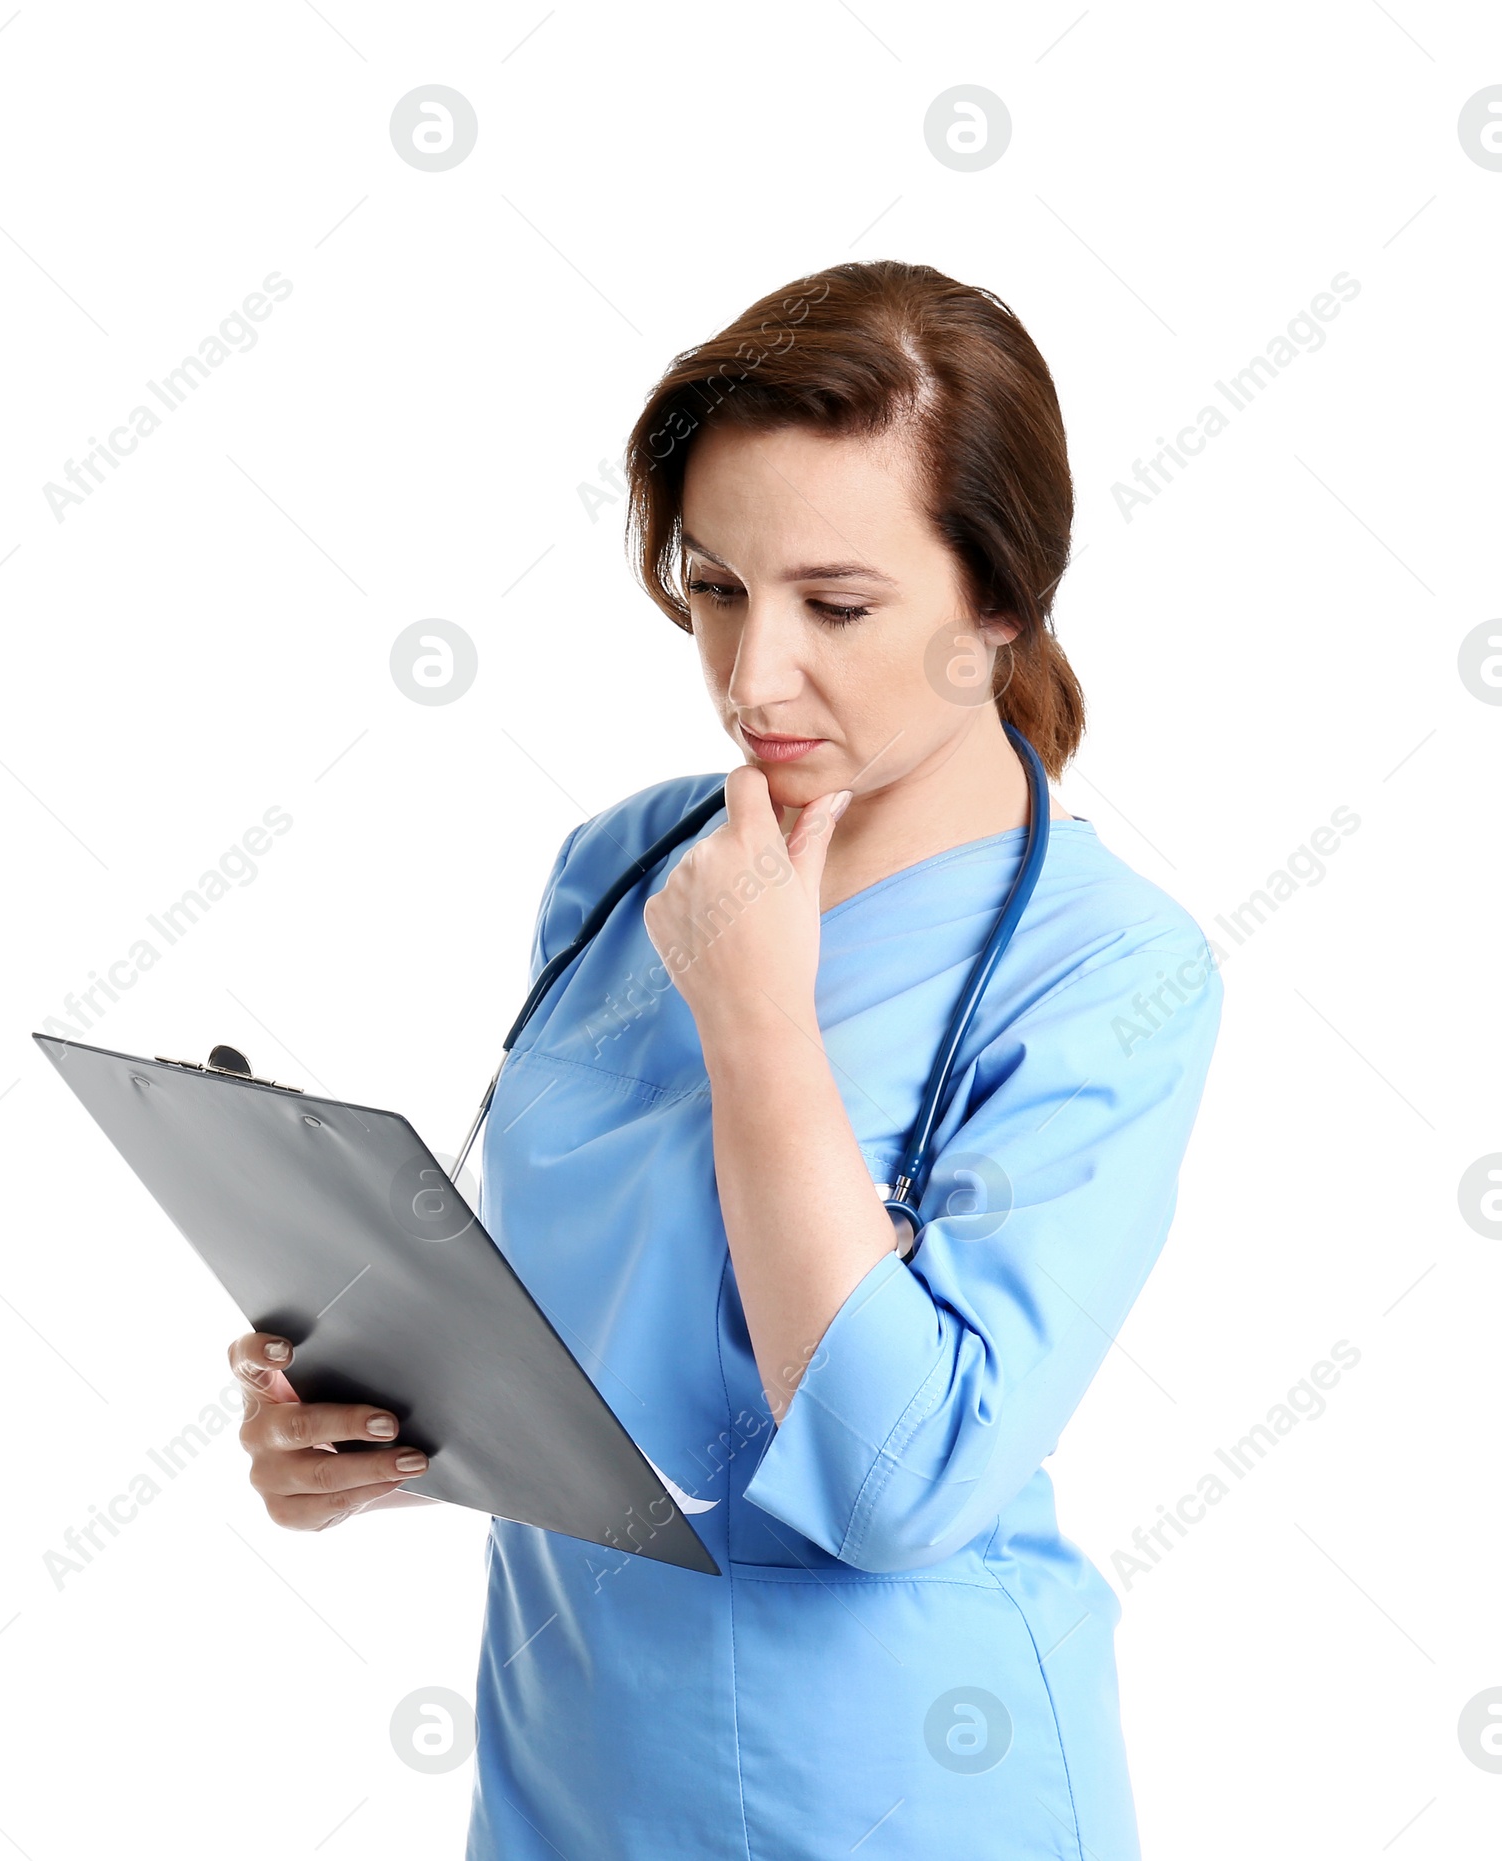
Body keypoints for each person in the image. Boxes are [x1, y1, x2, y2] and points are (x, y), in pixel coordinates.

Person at [230, 259, 1222, 1859]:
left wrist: (762, 1020)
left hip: (905, 1789)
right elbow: (606, 1361)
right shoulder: (624, 869)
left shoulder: (1109, 969)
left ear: (1000, 604)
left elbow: (904, 1486)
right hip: (571, 1769)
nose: (754, 677)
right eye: (715, 587)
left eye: (836, 606)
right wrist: (368, 1433)